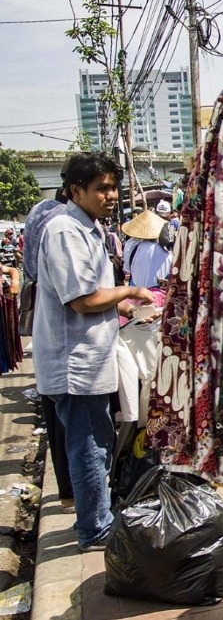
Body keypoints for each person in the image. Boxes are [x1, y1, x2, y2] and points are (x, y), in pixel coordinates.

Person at [34, 152, 156, 551]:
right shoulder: (65, 232)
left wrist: (131, 308)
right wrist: (132, 290)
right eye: (101, 188)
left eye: (113, 187)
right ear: (76, 191)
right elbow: (83, 300)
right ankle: (94, 528)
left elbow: (97, 297)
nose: (110, 195)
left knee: (97, 442)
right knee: (89, 445)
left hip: (91, 358)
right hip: (75, 363)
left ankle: (95, 518)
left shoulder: (89, 230)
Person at [22, 190, 73, 507]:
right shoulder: (62, 228)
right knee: (73, 427)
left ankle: (68, 493)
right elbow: (81, 298)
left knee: (60, 421)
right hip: (65, 346)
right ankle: (72, 496)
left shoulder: (40, 218)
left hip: (51, 344)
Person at [121, 210, 172, 288]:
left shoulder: (131, 245)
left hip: (136, 289)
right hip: (160, 291)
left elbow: (128, 270)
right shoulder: (167, 251)